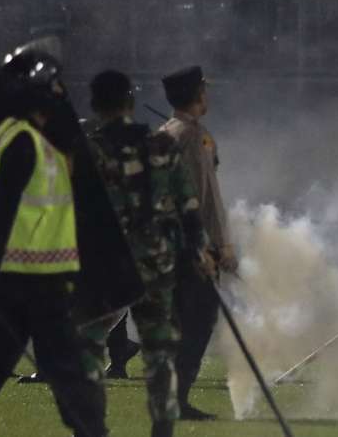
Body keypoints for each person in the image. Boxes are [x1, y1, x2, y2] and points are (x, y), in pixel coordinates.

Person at [0, 50, 108, 437]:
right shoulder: (24, 142)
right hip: (34, 281)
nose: (61, 92)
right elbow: (3, 209)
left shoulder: (29, 139)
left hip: (25, 278)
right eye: (53, 86)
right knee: (68, 373)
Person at [84, 70, 213, 437]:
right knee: (160, 353)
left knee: (90, 349)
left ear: (96, 106)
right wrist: (198, 251)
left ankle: (92, 428)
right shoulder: (159, 147)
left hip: (105, 266)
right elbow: (188, 207)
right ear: (129, 103)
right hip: (155, 263)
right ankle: (163, 428)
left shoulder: (88, 153)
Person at [159, 66, 233, 421]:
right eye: (204, 89)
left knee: (185, 323)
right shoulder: (190, 138)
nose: (208, 94)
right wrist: (217, 246)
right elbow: (203, 198)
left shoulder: (172, 133)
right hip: (191, 246)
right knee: (199, 321)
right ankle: (176, 399)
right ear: (196, 94)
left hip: (174, 245)